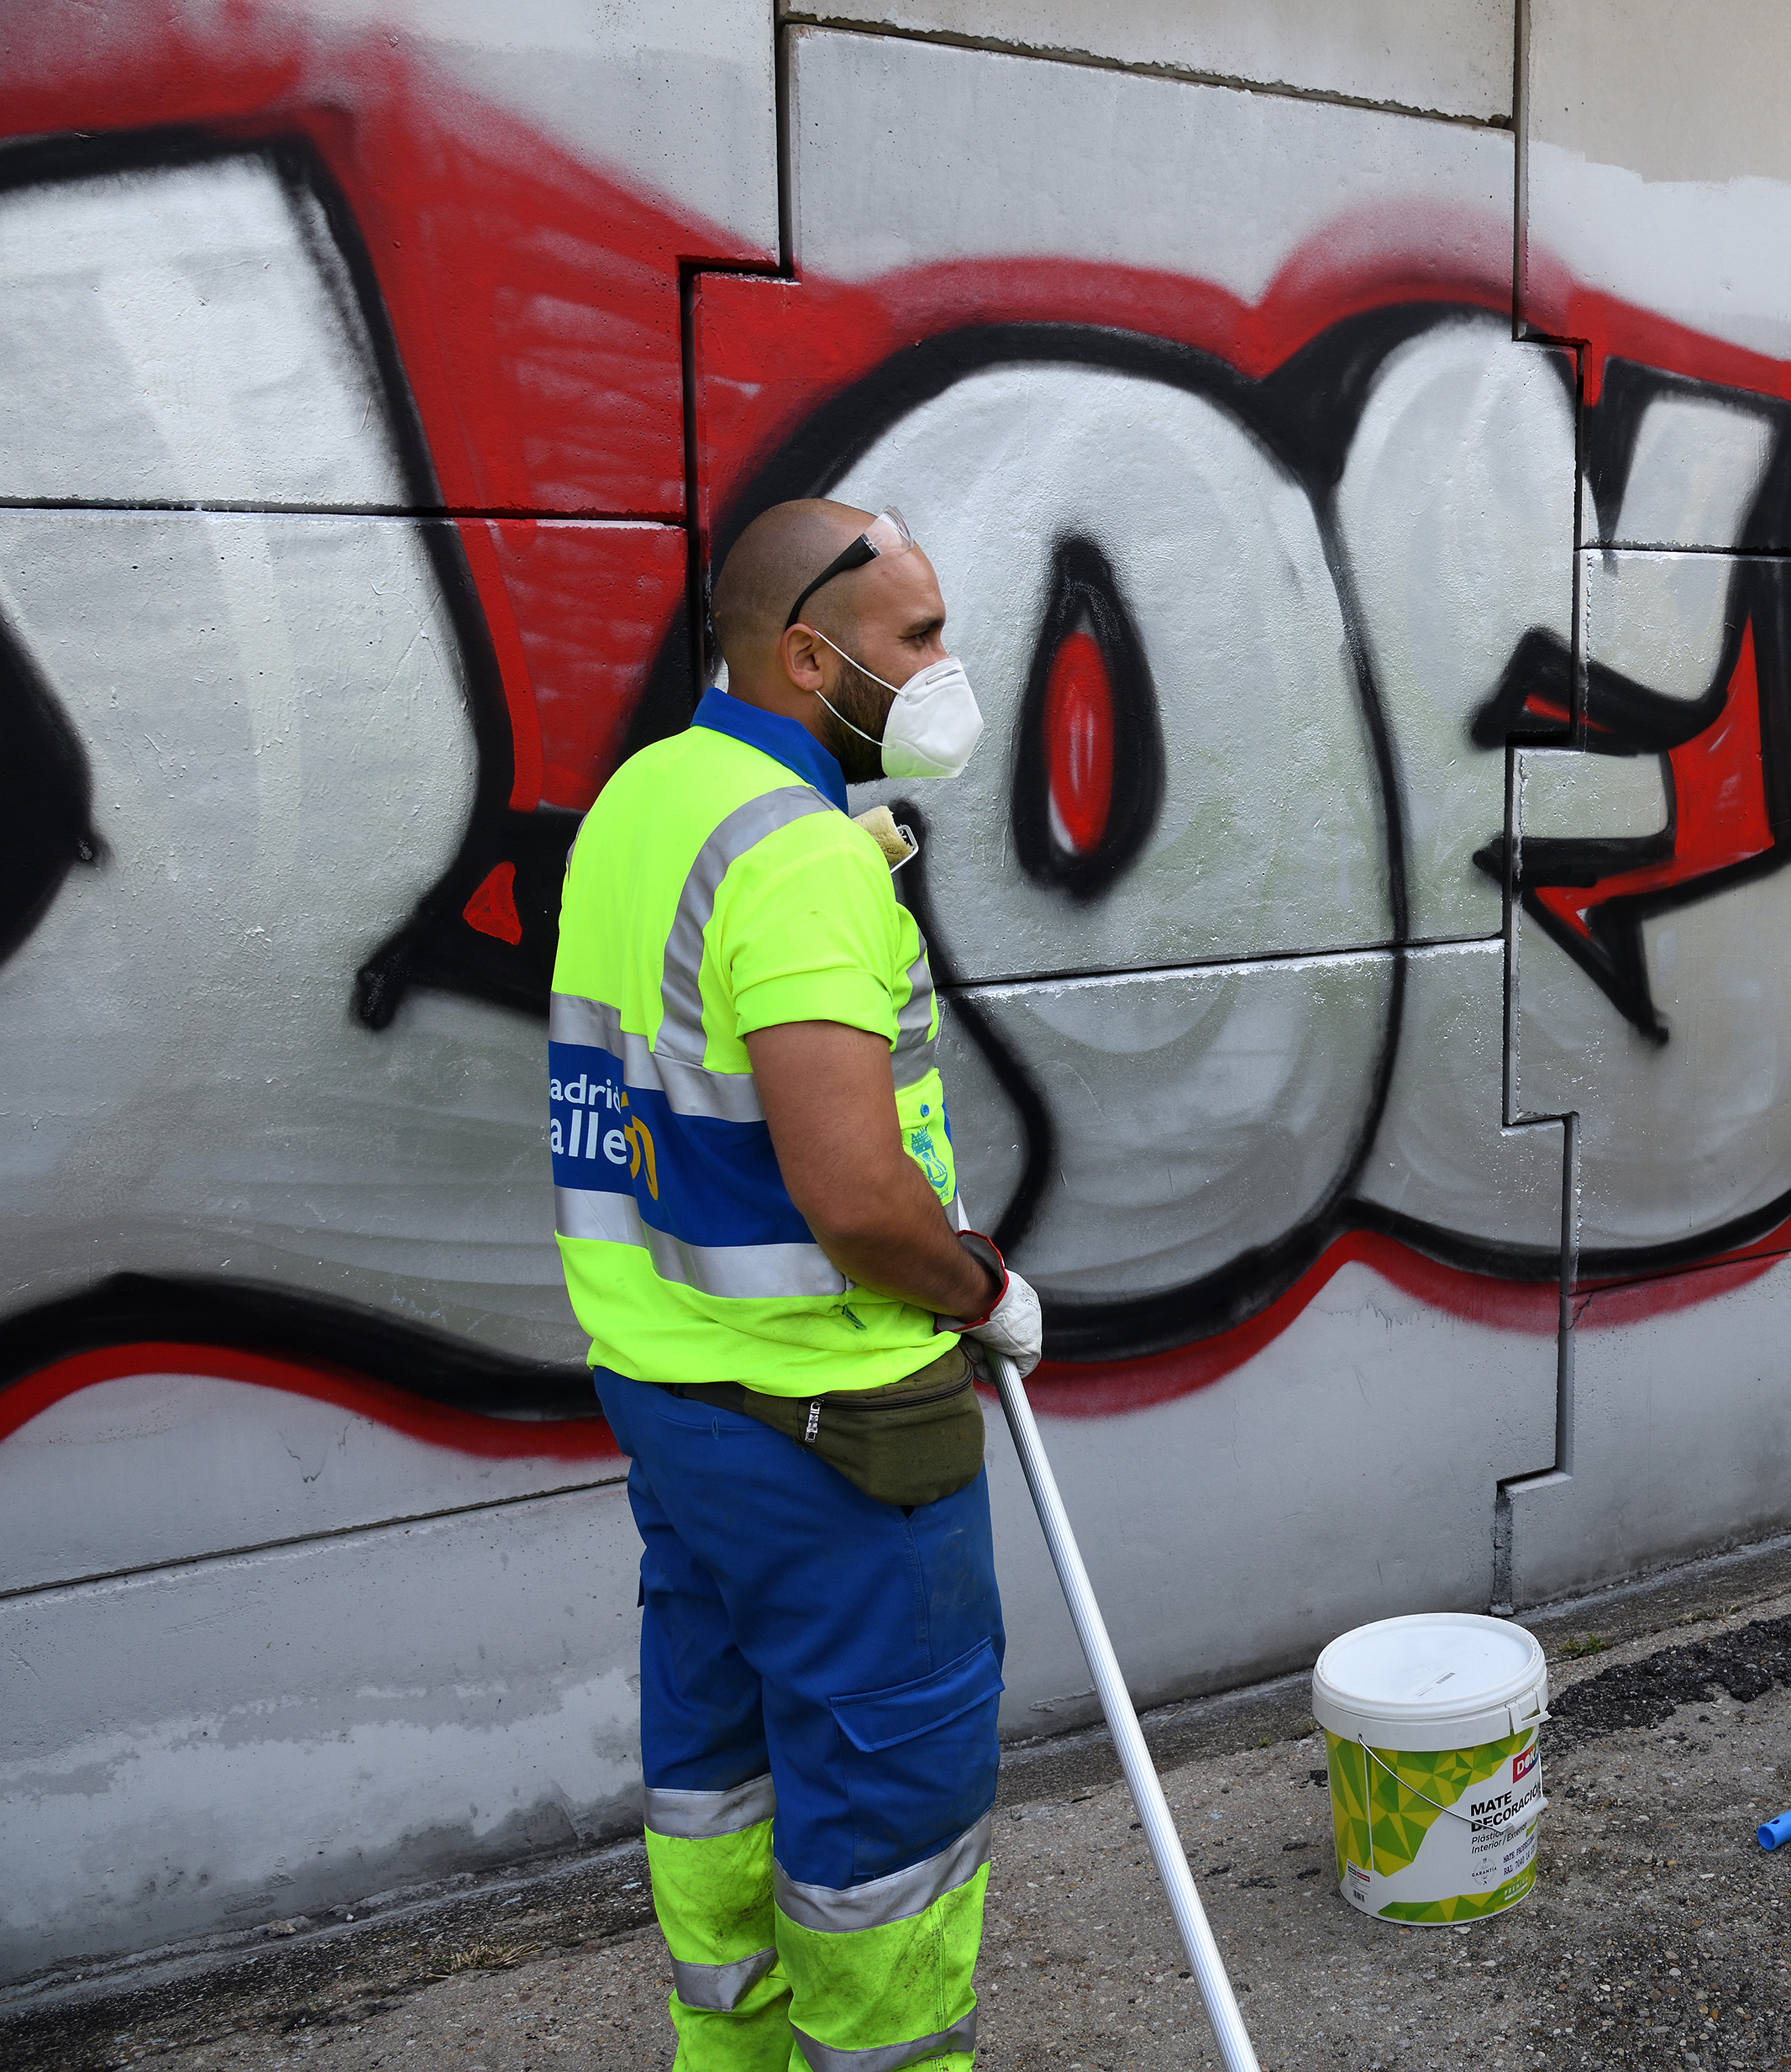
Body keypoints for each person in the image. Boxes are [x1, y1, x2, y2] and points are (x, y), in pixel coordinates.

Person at [551, 499, 1042, 2071]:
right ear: (811, 657)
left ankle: (733, 2057)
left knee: (721, 1768)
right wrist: (978, 1287)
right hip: (835, 1425)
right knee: (891, 1811)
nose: (946, 666)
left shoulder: (647, 800)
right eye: (919, 636)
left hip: (675, 1399)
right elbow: (854, 1200)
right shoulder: (796, 855)